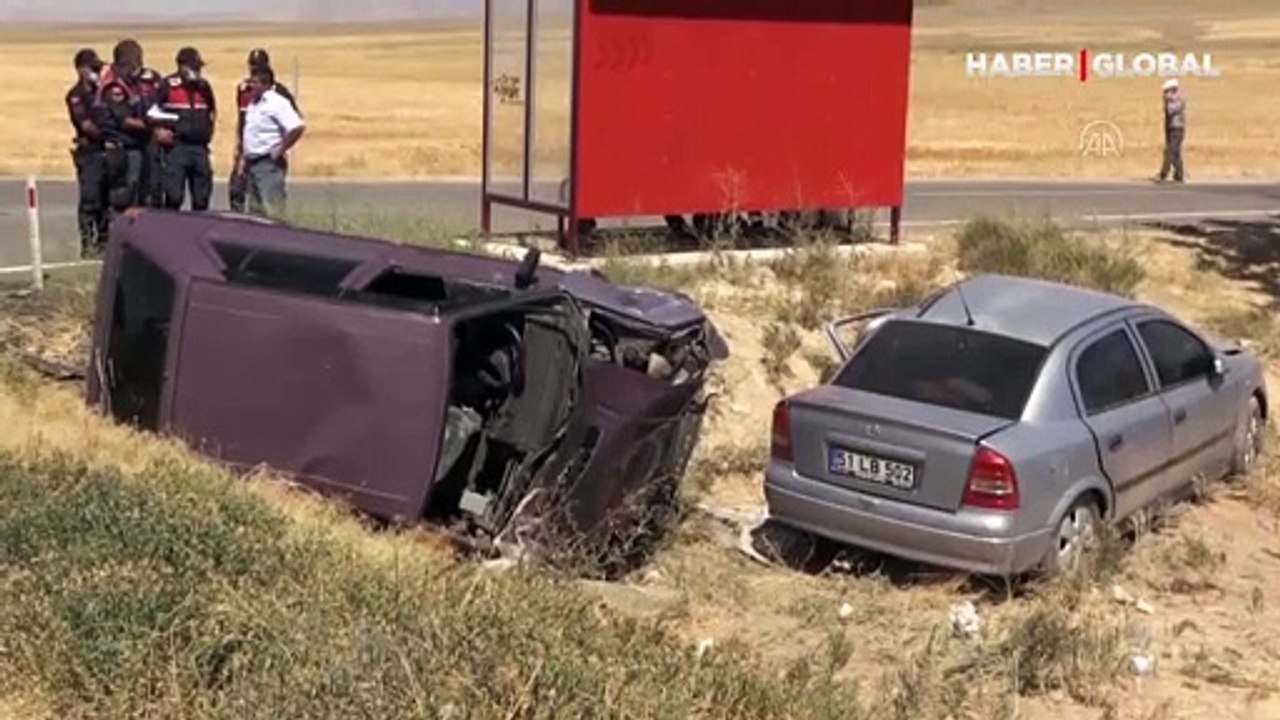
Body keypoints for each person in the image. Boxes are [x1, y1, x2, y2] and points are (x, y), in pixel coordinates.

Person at [230, 48, 299, 212]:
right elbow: (242, 120)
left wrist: (280, 147)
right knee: (243, 197)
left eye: (259, 66)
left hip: (269, 157)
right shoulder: (245, 90)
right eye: (252, 66)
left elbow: (294, 123)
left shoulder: (279, 95)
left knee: (272, 205)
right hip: (249, 154)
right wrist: (240, 149)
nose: (254, 69)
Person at [149, 47, 216, 210]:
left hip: (199, 148)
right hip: (176, 148)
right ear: (182, 67)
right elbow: (151, 113)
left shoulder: (204, 87)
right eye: (194, 68)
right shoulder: (168, 86)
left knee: (202, 197)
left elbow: (212, 112)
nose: (197, 71)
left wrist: (208, 133)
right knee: (174, 195)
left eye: (199, 68)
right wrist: (158, 131)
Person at [240, 64, 305, 217]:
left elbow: (297, 127)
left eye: (254, 83)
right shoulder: (253, 105)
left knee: (273, 210)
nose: (251, 86)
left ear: (266, 84)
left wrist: (281, 149)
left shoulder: (277, 103)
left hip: (269, 164)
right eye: (250, 82)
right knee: (255, 213)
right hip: (252, 164)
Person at [66, 48, 108, 257]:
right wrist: (109, 134)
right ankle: (87, 244)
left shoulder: (104, 93)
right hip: (89, 152)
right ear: (82, 70)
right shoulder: (76, 96)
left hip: (106, 154)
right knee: (90, 200)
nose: (98, 73)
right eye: (94, 69)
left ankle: (103, 243)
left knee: (106, 200)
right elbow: (86, 125)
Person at [1156, 78, 1186, 183]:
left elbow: (1171, 111)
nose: (1165, 93)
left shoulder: (1179, 99)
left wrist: (1168, 100)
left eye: (1167, 91)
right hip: (1170, 128)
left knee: (1170, 151)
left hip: (1177, 129)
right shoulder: (1170, 100)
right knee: (1175, 152)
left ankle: (1163, 173)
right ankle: (1179, 174)